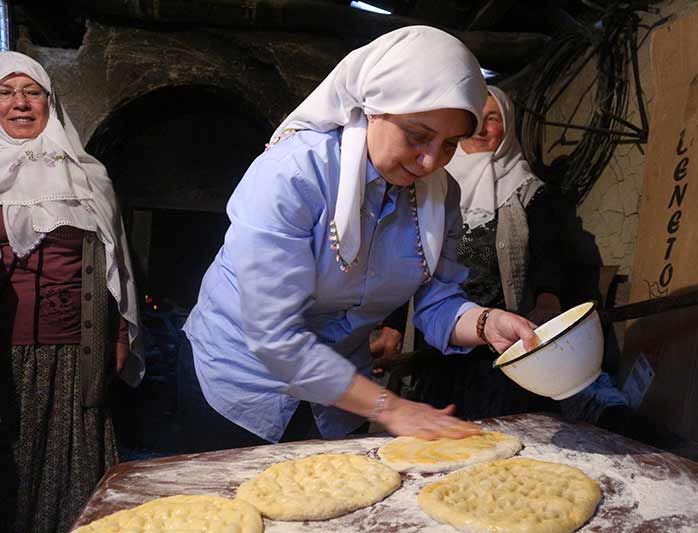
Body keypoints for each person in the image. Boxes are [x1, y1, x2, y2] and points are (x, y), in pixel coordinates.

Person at [178, 26, 539, 452]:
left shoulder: (441, 196)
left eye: (449, 145)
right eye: (418, 136)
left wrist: (486, 323)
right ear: (373, 106)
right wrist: (391, 408)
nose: (429, 162)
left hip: (343, 399)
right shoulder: (294, 174)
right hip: (242, 382)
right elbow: (274, 337)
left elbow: (435, 300)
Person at [372, 86, 631, 424]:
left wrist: (547, 298)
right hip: (440, 342)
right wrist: (392, 327)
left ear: (508, 127)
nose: (482, 128)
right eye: (476, 119)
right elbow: (408, 261)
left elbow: (549, 253)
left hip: (505, 341)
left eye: (492, 119)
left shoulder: (528, 193)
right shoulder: (428, 190)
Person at [0, 52, 143, 533]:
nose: (20, 103)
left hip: (74, 351)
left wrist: (119, 336)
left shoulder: (88, 176)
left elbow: (116, 264)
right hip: (7, 353)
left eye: (32, 92)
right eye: (5, 92)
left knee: (71, 470)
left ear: (50, 102)